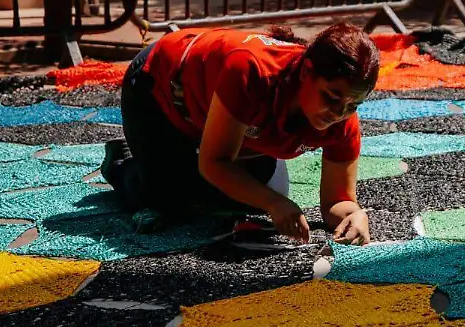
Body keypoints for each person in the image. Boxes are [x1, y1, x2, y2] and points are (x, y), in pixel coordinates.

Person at [100, 22, 377, 245]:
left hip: (222, 118)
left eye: (353, 105)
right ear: (306, 71)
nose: (338, 113)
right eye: (331, 98)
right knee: (169, 202)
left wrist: (353, 214)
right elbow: (215, 162)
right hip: (159, 88)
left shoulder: (343, 119)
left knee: (250, 197)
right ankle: (123, 162)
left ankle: (175, 164)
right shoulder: (252, 71)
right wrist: (273, 202)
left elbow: (337, 201)